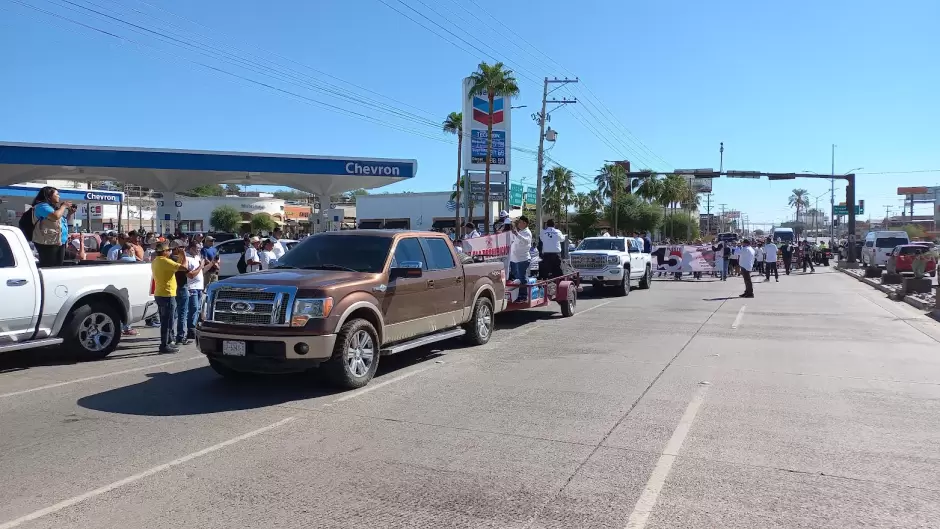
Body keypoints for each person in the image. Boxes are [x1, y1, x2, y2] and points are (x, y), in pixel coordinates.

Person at [151, 241, 187, 353]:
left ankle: (167, 341)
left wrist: (180, 256)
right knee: (168, 321)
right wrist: (184, 255)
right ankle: (164, 345)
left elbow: (176, 266)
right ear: (164, 252)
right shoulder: (165, 262)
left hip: (160, 294)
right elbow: (184, 267)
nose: (170, 252)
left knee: (165, 320)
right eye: (169, 250)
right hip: (167, 294)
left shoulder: (156, 261)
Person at [29, 187, 74, 267]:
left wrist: (69, 214)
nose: (59, 196)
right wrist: (63, 206)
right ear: (49, 196)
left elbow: (60, 223)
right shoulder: (41, 206)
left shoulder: (53, 208)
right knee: (49, 266)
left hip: (59, 242)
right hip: (47, 243)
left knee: (57, 267)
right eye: (57, 194)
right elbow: (55, 216)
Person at [184, 241, 209, 339]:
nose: (199, 250)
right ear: (191, 248)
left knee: (198, 309)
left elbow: (202, 271)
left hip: (199, 287)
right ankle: (191, 328)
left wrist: (212, 263)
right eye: (197, 248)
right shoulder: (187, 258)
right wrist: (200, 266)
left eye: (200, 248)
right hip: (192, 288)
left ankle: (194, 327)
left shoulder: (198, 257)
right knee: (193, 309)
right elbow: (191, 274)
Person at [508, 215, 532, 282]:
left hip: (522, 260)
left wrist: (516, 234)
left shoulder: (527, 232)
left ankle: (523, 292)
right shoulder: (520, 232)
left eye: (520, 222)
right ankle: (519, 292)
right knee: (517, 279)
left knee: (522, 279)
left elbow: (526, 241)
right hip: (515, 259)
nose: (518, 224)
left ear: (524, 223)